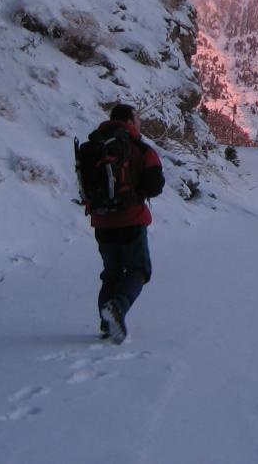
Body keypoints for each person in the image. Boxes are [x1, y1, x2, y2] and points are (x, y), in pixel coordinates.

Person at [85, 103, 164, 344]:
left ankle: (107, 324)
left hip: (101, 220)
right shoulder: (139, 147)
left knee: (111, 272)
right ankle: (117, 308)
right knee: (138, 270)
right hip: (131, 219)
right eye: (138, 119)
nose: (140, 124)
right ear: (129, 121)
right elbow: (155, 185)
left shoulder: (93, 145)